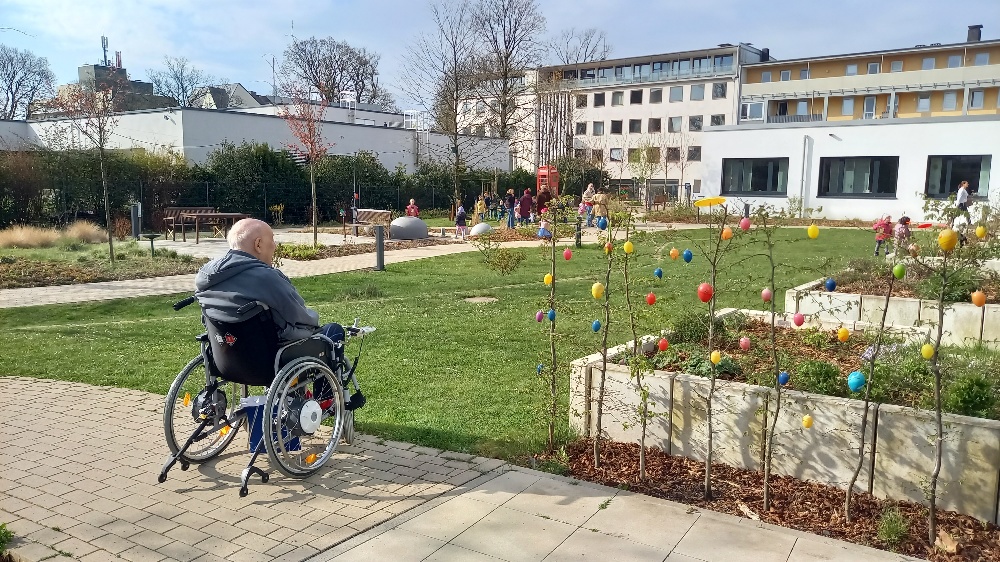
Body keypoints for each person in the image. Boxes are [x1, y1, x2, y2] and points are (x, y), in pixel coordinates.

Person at [194, 218, 342, 345]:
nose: (275, 245)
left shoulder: (206, 275)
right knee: (333, 330)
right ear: (258, 244)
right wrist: (314, 321)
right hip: (273, 357)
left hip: (227, 357)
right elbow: (301, 318)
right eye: (272, 239)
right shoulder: (266, 277)